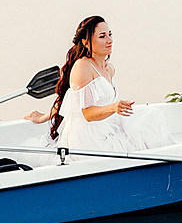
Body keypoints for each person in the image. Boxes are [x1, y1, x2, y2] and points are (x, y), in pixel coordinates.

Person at [27, 15, 171, 154]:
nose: (109, 40)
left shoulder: (109, 68)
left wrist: (43, 116)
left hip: (106, 125)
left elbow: (71, 101)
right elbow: (86, 113)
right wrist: (114, 107)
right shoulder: (83, 66)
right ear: (86, 42)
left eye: (110, 34)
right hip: (88, 136)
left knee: (152, 115)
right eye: (102, 36)